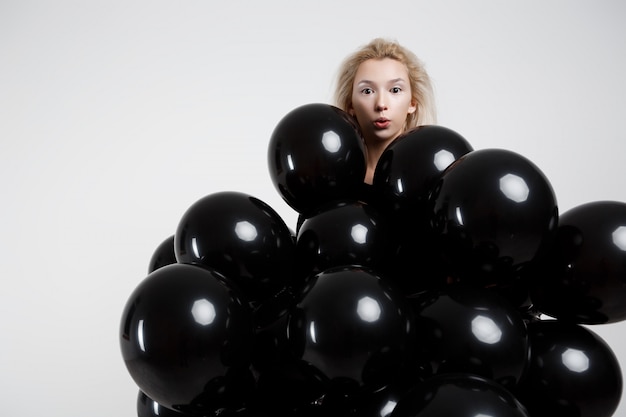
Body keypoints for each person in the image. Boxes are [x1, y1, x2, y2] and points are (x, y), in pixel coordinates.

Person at [333, 38, 437, 184]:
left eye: (395, 90)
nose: (381, 104)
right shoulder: (334, 173)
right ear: (351, 105)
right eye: (367, 91)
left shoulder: (431, 172)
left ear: (412, 103)